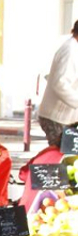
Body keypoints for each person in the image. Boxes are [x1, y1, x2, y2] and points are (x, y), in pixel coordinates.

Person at [38, 20, 78, 148]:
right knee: (62, 157)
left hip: (64, 118)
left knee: (67, 158)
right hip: (57, 117)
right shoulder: (70, 51)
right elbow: (59, 83)